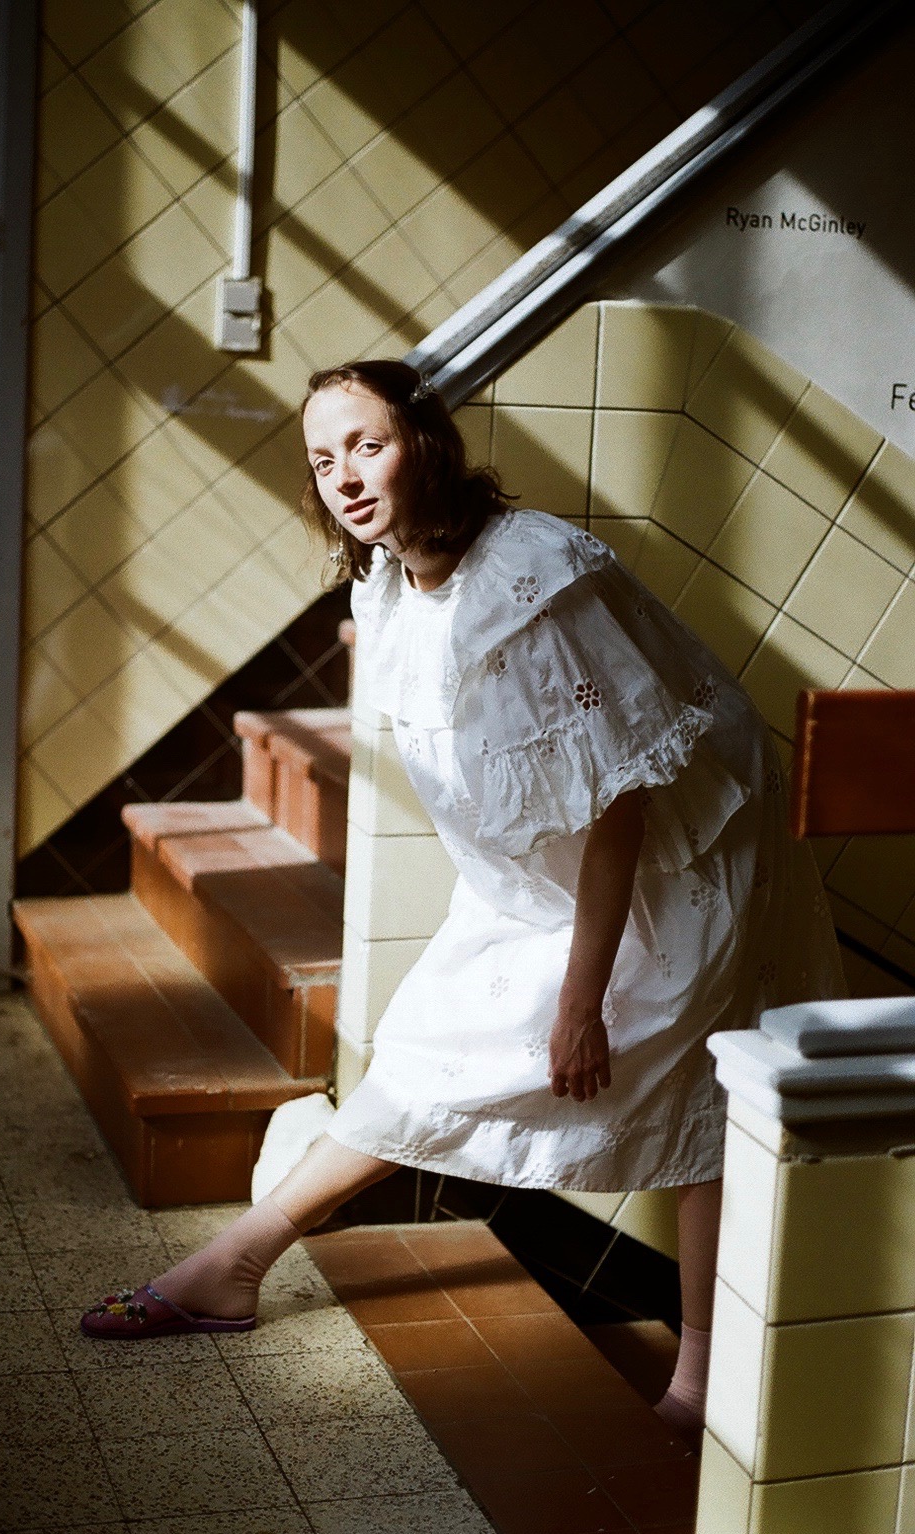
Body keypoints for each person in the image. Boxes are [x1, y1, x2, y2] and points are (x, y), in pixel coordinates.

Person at [82, 359, 844, 1445]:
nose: (346, 477)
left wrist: (578, 1001)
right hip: (547, 877)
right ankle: (235, 1264)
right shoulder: (391, 588)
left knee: (703, 1100)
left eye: (367, 445)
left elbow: (623, 807)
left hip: (692, 857)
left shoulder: (532, 578)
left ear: (425, 446)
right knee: (432, 1050)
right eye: (323, 460)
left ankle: (700, 1376)